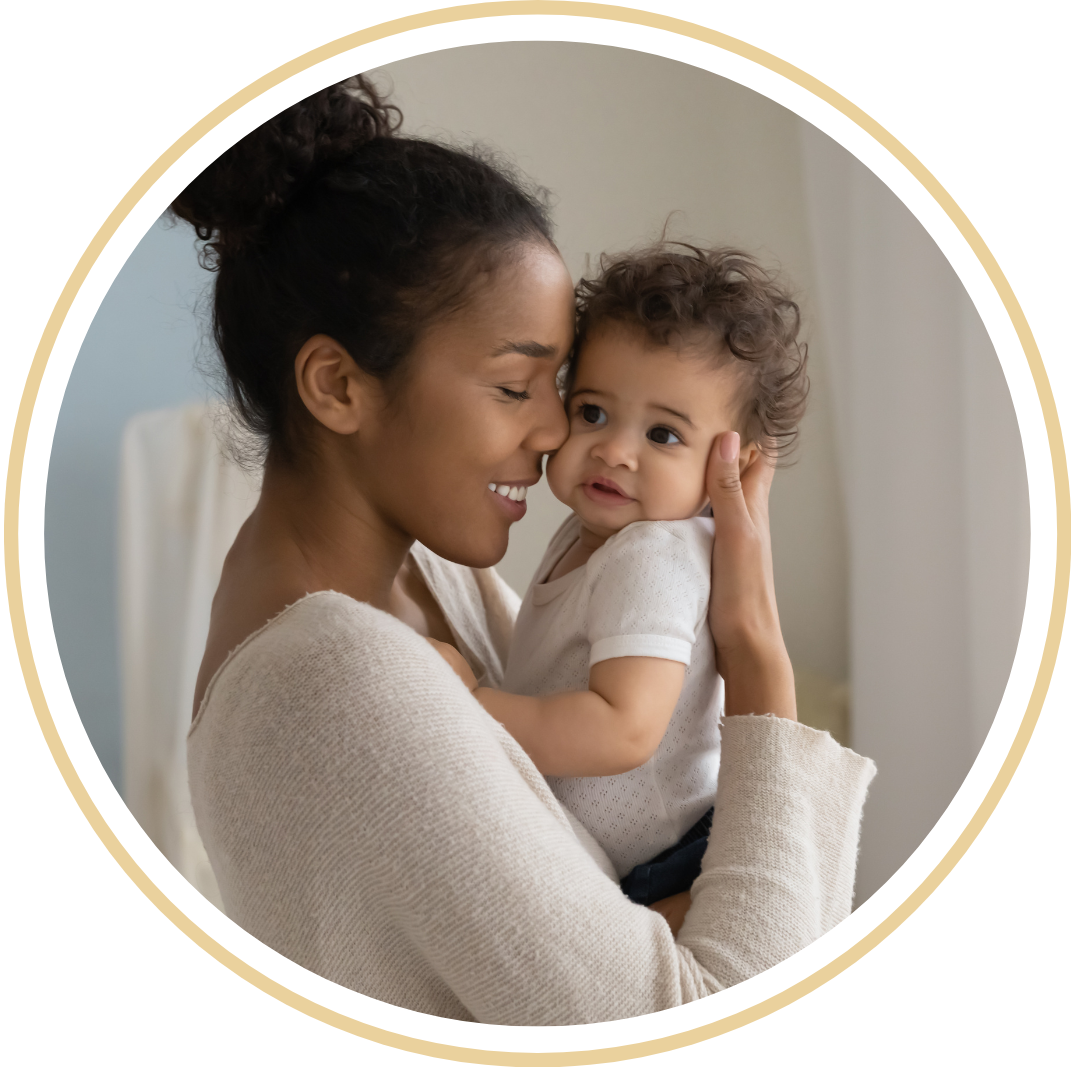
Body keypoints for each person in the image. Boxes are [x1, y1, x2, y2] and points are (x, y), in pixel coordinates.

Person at [178, 74, 876, 1026]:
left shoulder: (427, 574)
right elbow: (716, 1023)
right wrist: (755, 649)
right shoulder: (338, 678)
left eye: (563, 385)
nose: (557, 433)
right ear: (339, 385)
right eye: (517, 389)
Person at [443, 244, 808, 909]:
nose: (613, 450)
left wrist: (468, 705)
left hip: (668, 864)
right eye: (592, 413)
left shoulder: (652, 555)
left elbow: (623, 730)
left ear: (733, 465)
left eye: (663, 435)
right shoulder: (598, 530)